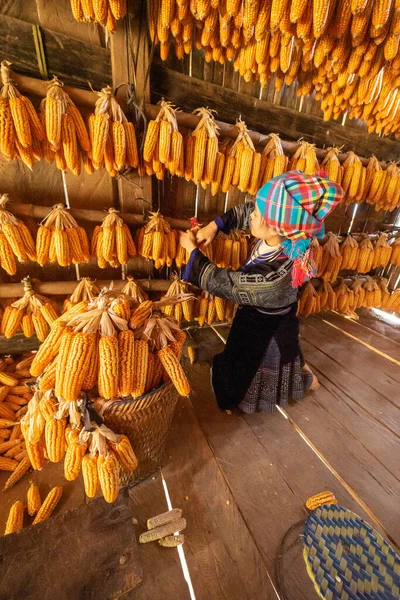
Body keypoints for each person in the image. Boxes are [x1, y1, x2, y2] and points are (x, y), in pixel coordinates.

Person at [179, 170, 343, 414]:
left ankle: (290, 383)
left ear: (275, 227)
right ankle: (304, 371)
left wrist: (193, 252)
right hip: (274, 312)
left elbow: (230, 284)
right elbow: (246, 212)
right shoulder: (287, 232)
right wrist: (215, 226)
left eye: (257, 213)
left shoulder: (276, 274)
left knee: (254, 361)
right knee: (289, 345)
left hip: (264, 325)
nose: (250, 215)